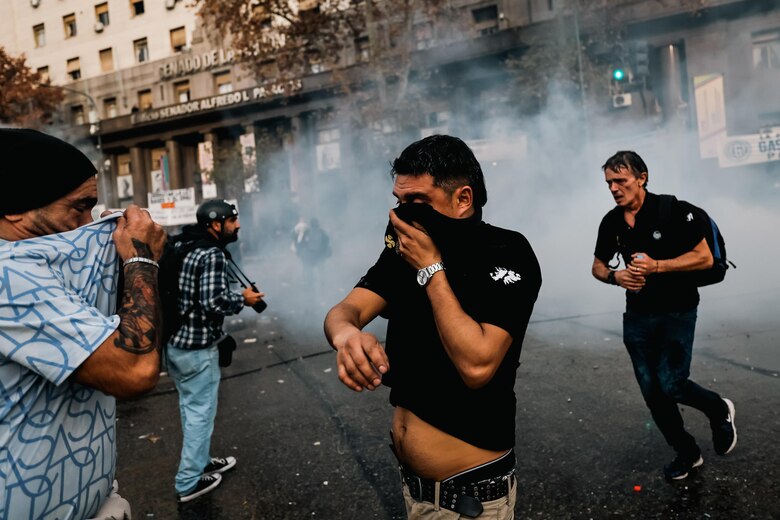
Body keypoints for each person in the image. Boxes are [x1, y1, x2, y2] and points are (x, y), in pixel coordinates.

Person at [324, 135, 541, 519]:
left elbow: (477, 365)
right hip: (415, 488)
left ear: (463, 199)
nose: (403, 214)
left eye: (417, 201)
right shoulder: (405, 251)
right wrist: (347, 336)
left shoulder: (507, 251)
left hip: (469, 497)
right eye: (400, 201)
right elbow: (347, 309)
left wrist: (430, 268)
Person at [0, 128, 166, 519]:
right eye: (79, 207)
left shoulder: (32, 264)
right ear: (14, 209)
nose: (88, 223)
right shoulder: (8, 276)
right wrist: (141, 259)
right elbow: (135, 370)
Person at [591, 151, 737, 481]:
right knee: (653, 394)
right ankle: (687, 453)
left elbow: (703, 258)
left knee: (672, 382)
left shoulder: (672, 211)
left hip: (677, 311)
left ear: (641, 178)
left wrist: (657, 266)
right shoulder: (611, 222)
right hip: (637, 317)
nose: (614, 188)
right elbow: (597, 266)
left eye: (620, 180)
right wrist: (617, 277)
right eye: (609, 182)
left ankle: (718, 409)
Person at [166, 198, 265, 503]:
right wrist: (244, 300)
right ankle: (188, 482)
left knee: (191, 409)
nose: (237, 225)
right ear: (215, 224)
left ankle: (201, 461)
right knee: (200, 414)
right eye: (232, 220)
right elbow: (213, 302)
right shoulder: (211, 254)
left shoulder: (185, 245)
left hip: (176, 342)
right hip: (197, 348)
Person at [292, 217, 331, 303]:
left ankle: (318, 292)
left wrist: (300, 253)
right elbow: (301, 243)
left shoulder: (314, 232)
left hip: (315, 256)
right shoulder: (311, 232)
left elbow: (301, 243)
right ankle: (312, 293)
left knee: (315, 276)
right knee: (311, 275)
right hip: (313, 256)